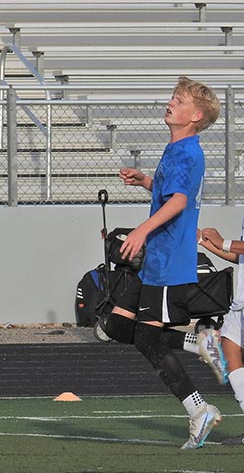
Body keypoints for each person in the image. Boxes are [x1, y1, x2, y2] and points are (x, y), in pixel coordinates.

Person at [101, 76, 223, 449]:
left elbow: (180, 202)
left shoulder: (188, 152)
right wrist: (145, 182)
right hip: (155, 256)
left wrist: (141, 229)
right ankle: (199, 342)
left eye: (179, 100)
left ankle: (198, 410)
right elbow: (170, 192)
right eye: (173, 96)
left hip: (168, 259)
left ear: (195, 115)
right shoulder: (176, 148)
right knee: (117, 327)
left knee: (148, 337)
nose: (171, 102)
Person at [199, 224, 244, 445]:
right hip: (242, 301)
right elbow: (240, 257)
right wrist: (204, 242)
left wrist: (223, 241)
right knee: (228, 348)